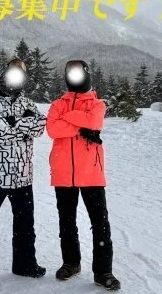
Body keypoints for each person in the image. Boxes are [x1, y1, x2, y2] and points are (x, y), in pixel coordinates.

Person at [0, 58, 47, 293]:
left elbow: (40, 126)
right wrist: (23, 126)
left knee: (25, 226)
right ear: (5, 73)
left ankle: (24, 264)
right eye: (14, 72)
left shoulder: (26, 101)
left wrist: (15, 123)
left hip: (22, 176)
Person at [46, 60, 121, 291]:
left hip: (91, 172)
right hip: (63, 172)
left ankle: (103, 271)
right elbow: (52, 129)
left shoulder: (97, 104)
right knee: (66, 222)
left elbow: (94, 121)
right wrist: (81, 125)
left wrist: (68, 118)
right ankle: (71, 263)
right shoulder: (58, 104)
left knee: (100, 223)